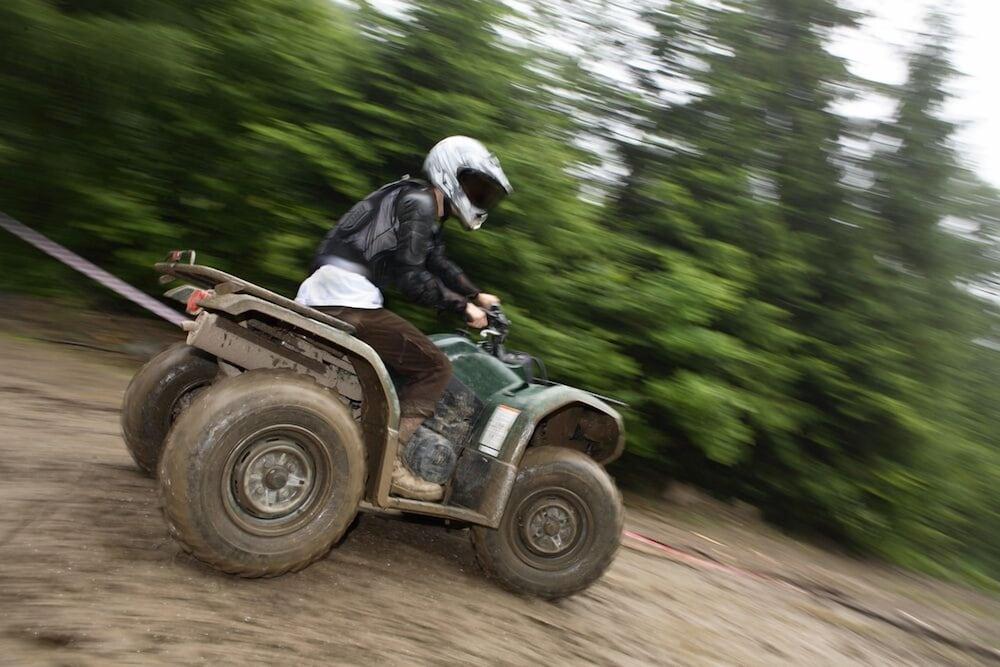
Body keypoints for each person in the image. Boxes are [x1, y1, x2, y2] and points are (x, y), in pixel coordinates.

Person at [296, 136, 512, 501]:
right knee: (435, 367)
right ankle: (393, 463)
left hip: (328, 291)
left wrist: (475, 295)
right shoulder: (421, 202)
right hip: (348, 299)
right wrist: (462, 308)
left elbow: (435, 260)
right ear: (450, 173)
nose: (478, 198)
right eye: (475, 187)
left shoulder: (417, 199)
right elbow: (412, 277)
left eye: (483, 192)